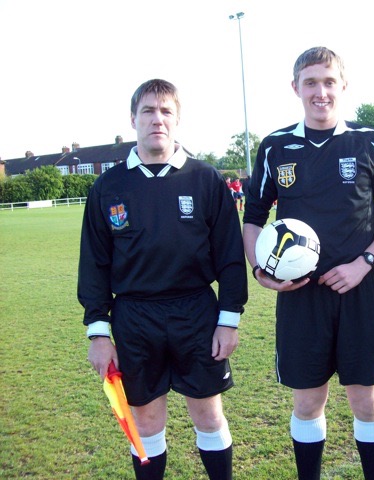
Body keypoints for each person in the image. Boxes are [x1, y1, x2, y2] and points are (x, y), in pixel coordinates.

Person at [242, 46, 374, 480]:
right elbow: (253, 221)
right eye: (310, 82)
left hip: (359, 291)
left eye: (329, 81)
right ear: (295, 87)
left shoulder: (368, 141)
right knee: (307, 402)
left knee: (366, 401)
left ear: (343, 86)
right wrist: (263, 271)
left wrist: (364, 263)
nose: (320, 91)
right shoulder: (275, 147)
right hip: (302, 298)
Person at [78, 79, 248, 480]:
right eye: (149, 111)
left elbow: (229, 257)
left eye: (166, 111)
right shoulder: (108, 186)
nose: (158, 119)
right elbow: (94, 265)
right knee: (147, 423)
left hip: (196, 314)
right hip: (135, 318)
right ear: (133, 119)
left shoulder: (206, 180)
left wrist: (229, 319)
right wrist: (98, 333)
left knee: (208, 415)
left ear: (177, 119)